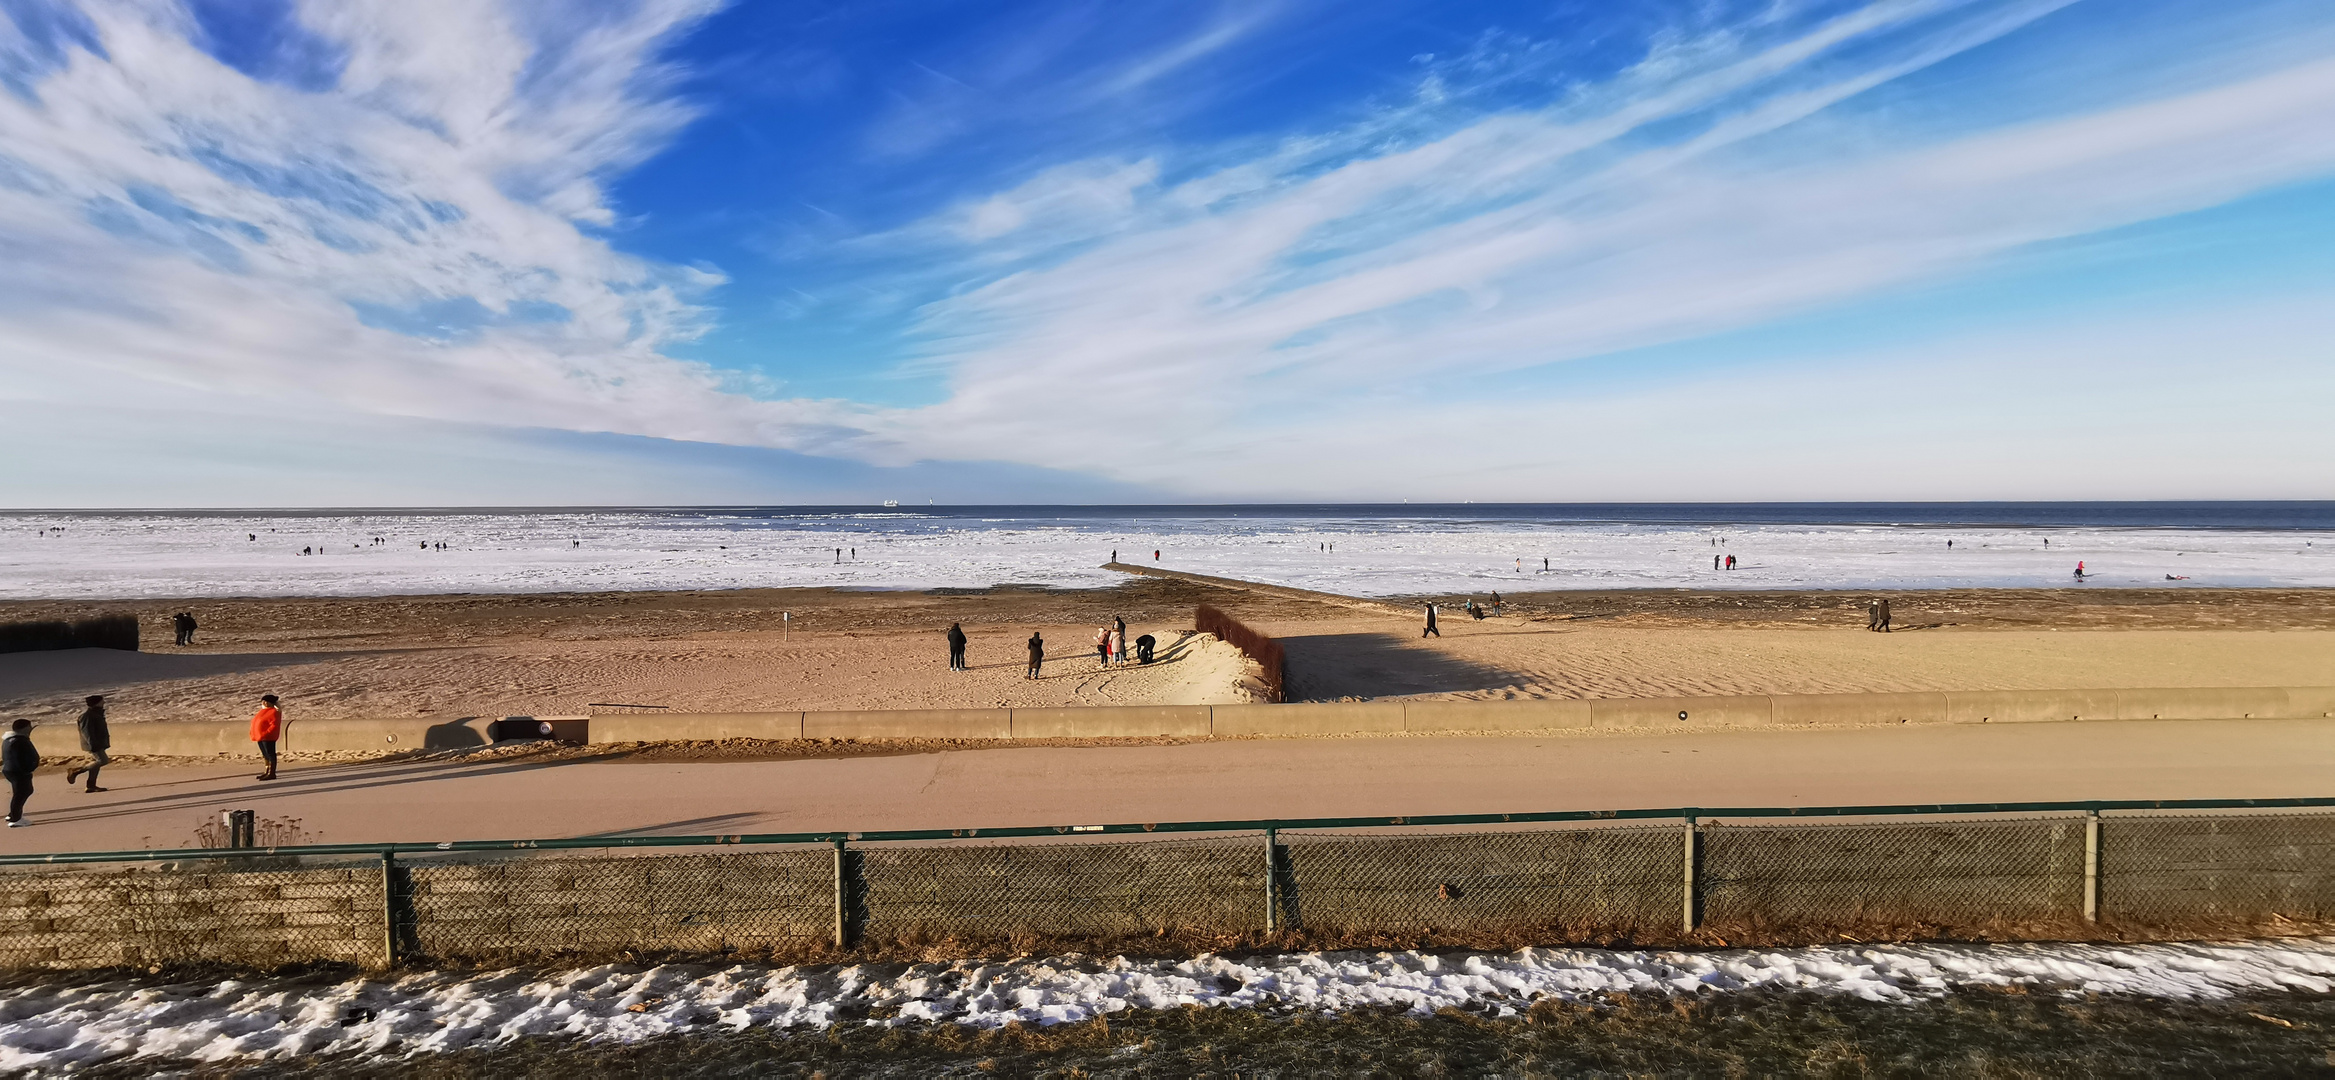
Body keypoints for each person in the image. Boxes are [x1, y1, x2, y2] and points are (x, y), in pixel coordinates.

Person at [64, 695, 107, 792]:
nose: (104, 703)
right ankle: (76, 771)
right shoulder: (87, 716)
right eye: (102, 701)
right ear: (96, 703)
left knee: (96, 763)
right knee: (103, 761)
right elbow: (86, 732)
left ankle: (91, 786)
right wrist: (93, 744)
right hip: (93, 744)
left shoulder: (97, 714)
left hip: (98, 743)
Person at [2, 719, 35, 827]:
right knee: (21, 793)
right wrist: (26, 769)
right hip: (18, 770)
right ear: (24, 728)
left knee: (23, 791)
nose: (30, 728)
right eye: (29, 726)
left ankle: (12, 814)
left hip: (11, 770)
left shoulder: (9, 739)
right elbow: (19, 757)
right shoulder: (19, 740)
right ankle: (15, 819)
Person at [250, 694, 284, 781]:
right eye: (263, 701)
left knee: (270, 754)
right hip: (260, 736)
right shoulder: (263, 711)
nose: (264, 703)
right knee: (265, 755)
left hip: (268, 737)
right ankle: (267, 771)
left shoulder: (274, 711)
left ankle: (271, 773)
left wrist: (266, 733)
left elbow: (274, 725)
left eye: (266, 701)